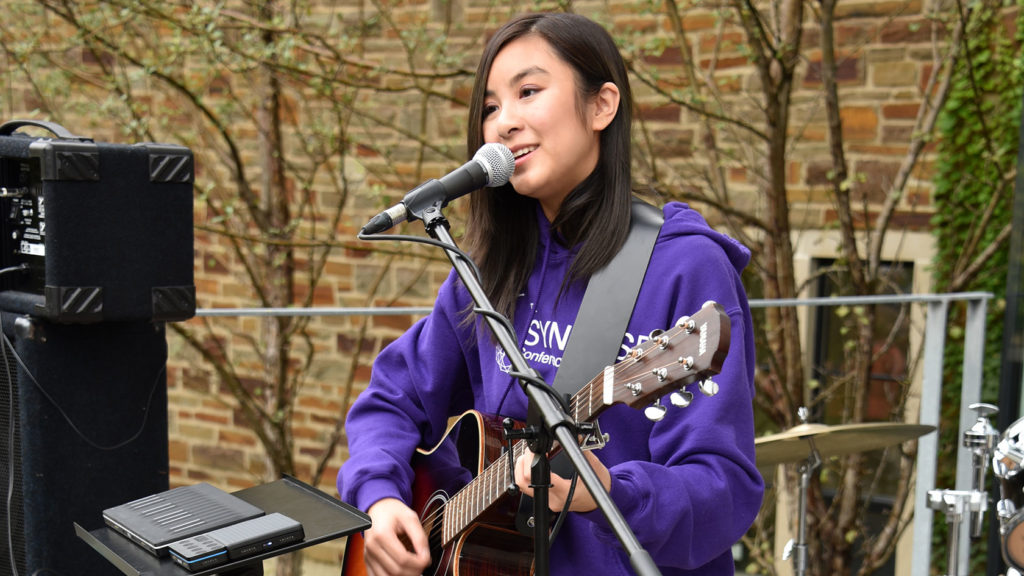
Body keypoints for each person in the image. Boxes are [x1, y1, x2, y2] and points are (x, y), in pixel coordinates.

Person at [337, 12, 763, 575]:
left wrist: (610, 490)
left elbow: (724, 488)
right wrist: (382, 496)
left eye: (528, 92)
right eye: (490, 107)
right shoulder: (491, 269)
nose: (502, 123)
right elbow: (394, 394)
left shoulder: (685, 267)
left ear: (601, 106)